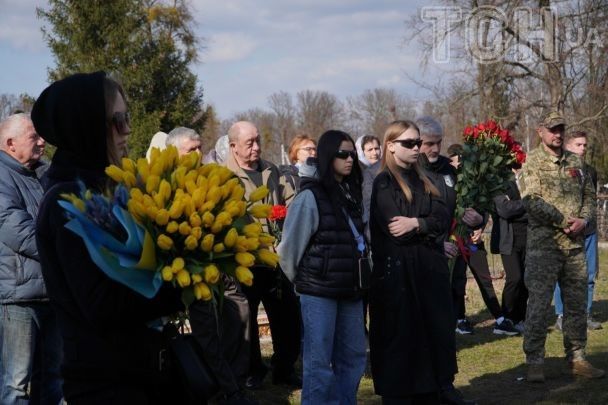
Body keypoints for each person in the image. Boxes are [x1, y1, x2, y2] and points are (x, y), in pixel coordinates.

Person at [32, 71, 185, 403]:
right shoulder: (68, 202)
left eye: (126, 118)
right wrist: (178, 286)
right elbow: (102, 306)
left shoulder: (110, 188)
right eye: (118, 120)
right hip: (105, 385)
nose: (127, 131)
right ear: (86, 125)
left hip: (140, 373)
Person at [369, 120, 457, 404]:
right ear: (391, 146)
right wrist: (426, 226)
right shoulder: (384, 182)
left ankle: (438, 389)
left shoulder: (425, 180)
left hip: (429, 272)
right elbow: (395, 228)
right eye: (409, 143)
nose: (417, 148)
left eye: (418, 142)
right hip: (399, 277)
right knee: (402, 341)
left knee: (435, 334)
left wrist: (418, 223)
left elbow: (443, 218)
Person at [278, 129, 367, 404]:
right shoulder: (309, 196)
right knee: (318, 362)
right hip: (318, 292)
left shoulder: (351, 194)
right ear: (329, 156)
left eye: (352, 153)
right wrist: (307, 283)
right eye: (342, 154)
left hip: (350, 290)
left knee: (353, 355)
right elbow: (288, 250)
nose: (349, 159)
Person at [520, 111, 604, 382]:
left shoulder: (575, 162)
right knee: (539, 306)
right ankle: (534, 361)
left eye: (561, 129)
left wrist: (584, 219)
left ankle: (577, 357)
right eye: (552, 129)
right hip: (544, 248)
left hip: (574, 248)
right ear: (540, 132)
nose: (557, 134)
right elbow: (531, 200)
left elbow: (589, 196)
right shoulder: (531, 162)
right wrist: (561, 221)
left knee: (577, 305)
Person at [224, 121, 301, 390]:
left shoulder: (272, 170)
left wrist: (281, 218)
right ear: (233, 146)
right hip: (244, 261)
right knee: (247, 324)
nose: (256, 147)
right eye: (249, 143)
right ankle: (252, 371)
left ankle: (285, 368)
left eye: (258, 140)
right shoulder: (223, 176)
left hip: (277, 260)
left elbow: (290, 205)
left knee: (288, 317)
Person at [0, 113, 62, 404]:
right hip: (18, 299)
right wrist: (64, 251)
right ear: (10, 143)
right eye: (34, 137)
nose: (42, 142)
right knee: (16, 384)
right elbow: (18, 232)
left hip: (51, 294)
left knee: (53, 378)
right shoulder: (1, 176)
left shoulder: (44, 174)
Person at [554, 131, 602, 331]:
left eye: (584, 145)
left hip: (588, 231)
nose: (583, 149)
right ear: (567, 146)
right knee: (563, 274)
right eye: (578, 145)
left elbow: (591, 201)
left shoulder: (590, 171)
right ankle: (561, 315)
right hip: (565, 232)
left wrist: (584, 220)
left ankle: (586, 313)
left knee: (589, 275)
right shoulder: (557, 170)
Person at [490, 169, 529, 334]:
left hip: (528, 238)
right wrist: (528, 204)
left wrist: (517, 208)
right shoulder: (498, 182)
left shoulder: (528, 179)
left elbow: (539, 208)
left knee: (526, 280)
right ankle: (506, 319)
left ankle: (520, 319)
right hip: (508, 240)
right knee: (514, 278)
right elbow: (504, 210)